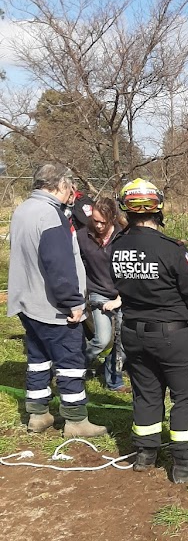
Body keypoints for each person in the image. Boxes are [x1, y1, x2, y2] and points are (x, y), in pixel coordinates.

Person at [110, 178, 188, 482]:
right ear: (158, 207)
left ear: (126, 207)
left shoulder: (117, 247)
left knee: (146, 391)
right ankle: (185, 466)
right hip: (172, 335)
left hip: (133, 333)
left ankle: (145, 455)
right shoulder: (172, 249)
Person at [7, 163, 107, 438]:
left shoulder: (23, 210)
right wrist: (73, 302)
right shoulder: (50, 216)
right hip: (51, 306)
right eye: (70, 188)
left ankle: (37, 414)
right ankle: (76, 421)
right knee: (70, 361)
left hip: (26, 301)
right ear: (61, 185)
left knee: (38, 358)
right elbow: (58, 265)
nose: (71, 194)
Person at [77, 197, 127, 392]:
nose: (98, 225)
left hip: (122, 294)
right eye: (95, 220)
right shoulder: (82, 236)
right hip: (98, 293)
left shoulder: (123, 237)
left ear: (113, 219)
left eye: (102, 222)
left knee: (123, 342)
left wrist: (120, 299)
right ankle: (74, 367)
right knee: (103, 339)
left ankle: (114, 379)